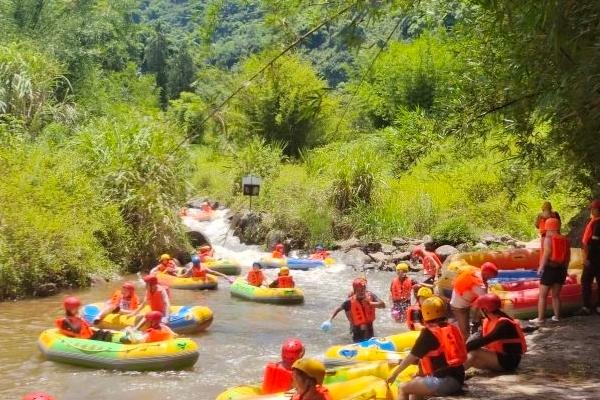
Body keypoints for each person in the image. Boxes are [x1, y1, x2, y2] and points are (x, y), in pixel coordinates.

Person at [387, 296, 466, 400]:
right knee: (415, 385)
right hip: (458, 378)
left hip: (445, 382)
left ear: (425, 313)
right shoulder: (450, 328)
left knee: (403, 388)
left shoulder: (428, 334)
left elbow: (411, 357)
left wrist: (394, 374)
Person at [465, 294, 527, 372]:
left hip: (509, 362)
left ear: (485, 310)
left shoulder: (504, 324)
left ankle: (456, 375)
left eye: (479, 309)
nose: (478, 311)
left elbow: (485, 340)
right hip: (498, 357)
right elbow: (478, 340)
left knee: (474, 353)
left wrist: (463, 349)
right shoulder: (490, 320)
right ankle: (453, 372)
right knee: (470, 354)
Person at [530, 218, 570, 323]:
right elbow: (568, 257)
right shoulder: (565, 239)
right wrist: (565, 269)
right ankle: (557, 317)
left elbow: (546, 254)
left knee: (542, 296)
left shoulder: (548, 239)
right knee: (556, 295)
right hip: (561, 269)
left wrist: (541, 267)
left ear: (548, 227)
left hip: (550, 269)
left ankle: (540, 319)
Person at [323, 278, 385, 343]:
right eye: (359, 290)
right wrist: (329, 320)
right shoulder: (349, 302)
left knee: (370, 339)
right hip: (357, 331)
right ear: (355, 291)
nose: (362, 292)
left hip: (369, 328)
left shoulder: (370, 296)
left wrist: (370, 303)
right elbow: (338, 309)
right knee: (357, 339)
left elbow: (383, 305)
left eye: (363, 289)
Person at [450, 262, 498, 339]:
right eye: (490, 277)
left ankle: (475, 323)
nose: (489, 279)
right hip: (459, 307)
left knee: (478, 309)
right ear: (485, 273)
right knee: (465, 330)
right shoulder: (478, 284)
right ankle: (467, 346)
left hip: (461, 299)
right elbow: (486, 301)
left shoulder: (476, 271)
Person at [580, 199, 600, 315]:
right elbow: (587, 242)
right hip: (591, 257)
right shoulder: (591, 221)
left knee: (591, 280)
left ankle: (595, 306)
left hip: (595, 258)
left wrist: (588, 258)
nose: (591, 210)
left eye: (593, 209)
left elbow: (594, 243)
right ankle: (587, 306)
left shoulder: (598, 224)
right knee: (585, 281)